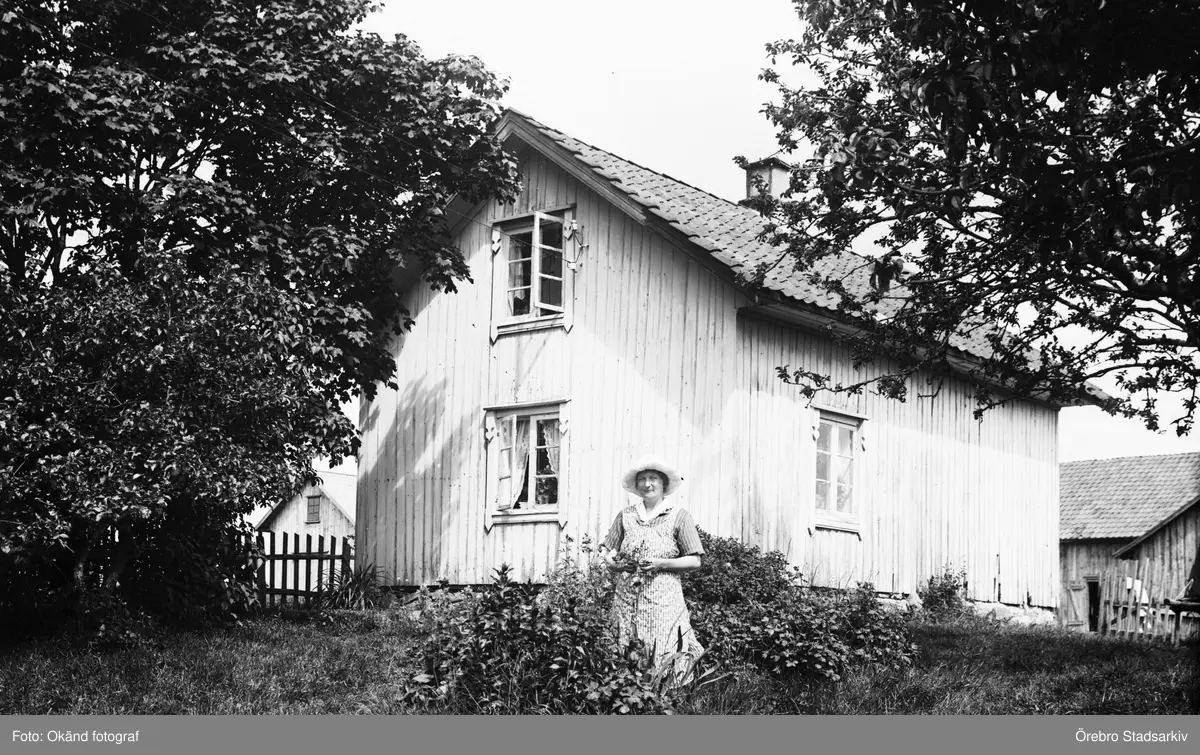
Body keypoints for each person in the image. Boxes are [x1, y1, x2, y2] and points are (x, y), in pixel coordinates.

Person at [599, 456, 704, 681]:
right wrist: (618, 565)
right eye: (642, 479)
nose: (647, 484)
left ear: (664, 484)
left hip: (664, 600)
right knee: (625, 642)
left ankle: (667, 690)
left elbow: (695, 561)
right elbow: (607, 554)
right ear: (636, 485)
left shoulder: (679, 516)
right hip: (626, 599)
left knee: (663, 643)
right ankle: (627, 689)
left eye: (653, 478)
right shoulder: (626, 516)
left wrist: (660, 564)